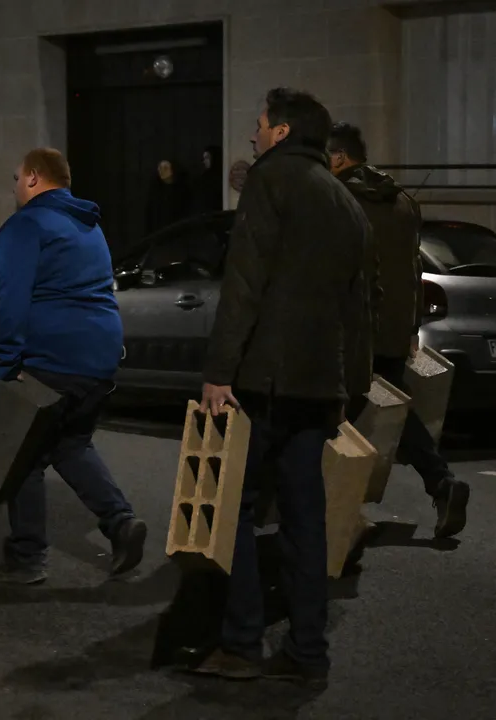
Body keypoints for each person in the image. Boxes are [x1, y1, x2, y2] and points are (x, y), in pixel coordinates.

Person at [193, 88, 373, 684]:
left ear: (283, 132)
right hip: (317, 388)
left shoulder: (270, 183)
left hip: (263, 381)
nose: (253, 133)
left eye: (260, 124)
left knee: (235, 511)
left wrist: (220, 371)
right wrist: (349, 388)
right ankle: (307, 650)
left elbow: (243, 283)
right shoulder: (347, 202)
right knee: (305, 518)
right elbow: (357, 312)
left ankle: (242, 643)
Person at [0, 147, 148, 585]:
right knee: (71, 444)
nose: (14, 186)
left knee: (23, 456)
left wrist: (3, 367)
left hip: (46, 356)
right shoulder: (89, 227)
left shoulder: (26, 225)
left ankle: (26, 558)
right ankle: (120, 523)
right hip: (98, 358)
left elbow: (8, 303)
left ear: (34, 178)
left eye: (16, 177)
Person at [329, 122, 470, 538]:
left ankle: (335, 515)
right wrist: (411, 327)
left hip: (353, 328)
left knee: (335, 418)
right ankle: (440, 484)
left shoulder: (341, 198)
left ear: (338, 157)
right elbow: (413, 270)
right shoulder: (404, 202)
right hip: (392, 329)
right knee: (387, 411)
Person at [144, 159, 191, 235]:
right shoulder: (156, 190)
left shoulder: (183, 190)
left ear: (173, 169)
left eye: (165, 168)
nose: (161, 171)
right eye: (160, 168)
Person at [193, 145, 223, 215]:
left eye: (207, 158)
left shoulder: (221, 177)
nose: (204, 161)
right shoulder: (202, 178)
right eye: (204, 158)